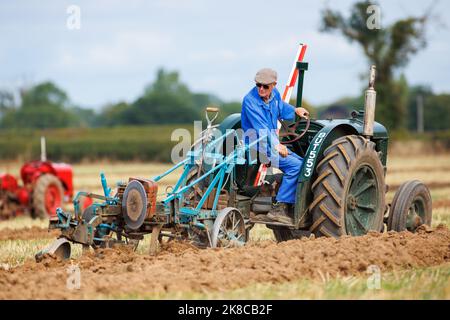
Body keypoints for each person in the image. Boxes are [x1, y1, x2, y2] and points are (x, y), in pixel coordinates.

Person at [241, 68, 309, 224]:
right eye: (258, 85)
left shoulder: (275, 94)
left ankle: (276, 182)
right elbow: (261, 128)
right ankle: (278, 208)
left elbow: (281, 108)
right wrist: (277, 145)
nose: (261, 89)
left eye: (265, 86)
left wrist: (295, 110)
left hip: (270, 143)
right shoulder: (250, 101)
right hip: (257, 146)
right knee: (297, 167)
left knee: (301, 162)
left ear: (273, 85)